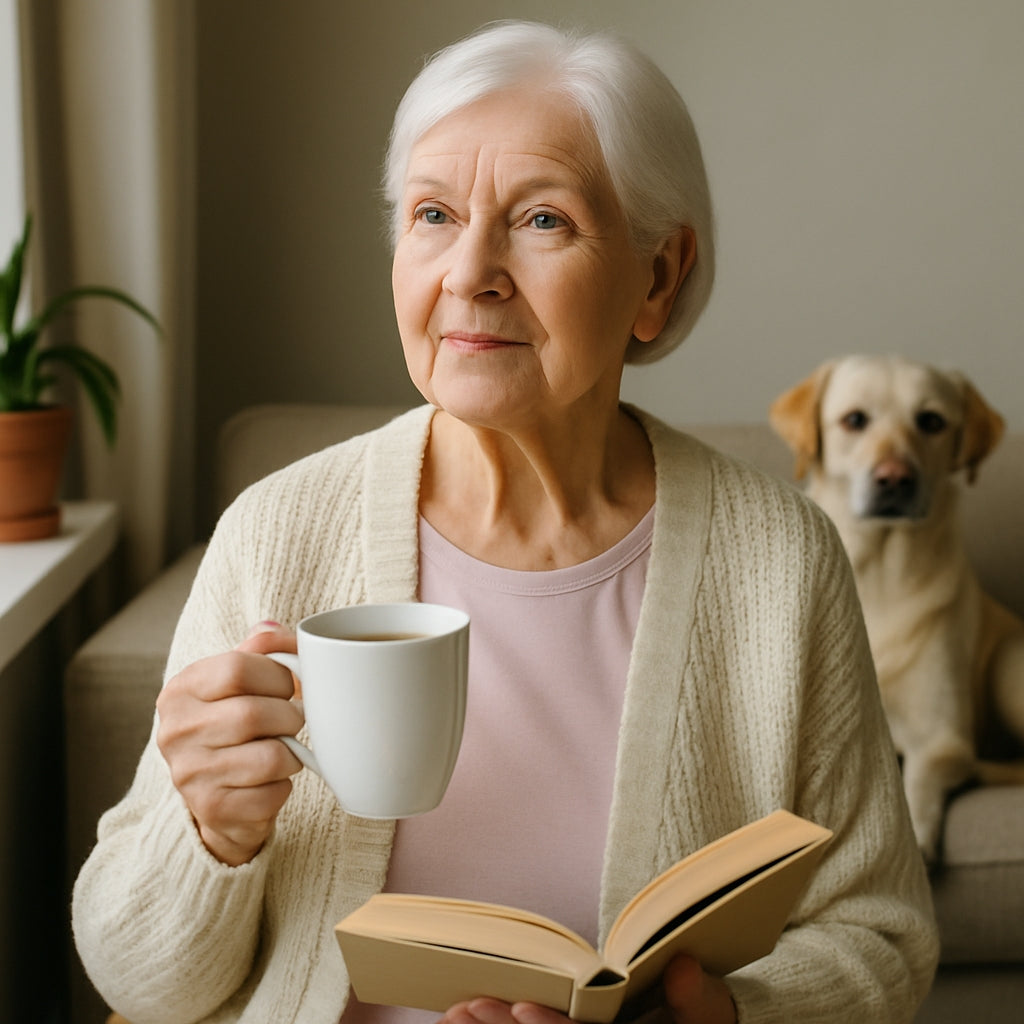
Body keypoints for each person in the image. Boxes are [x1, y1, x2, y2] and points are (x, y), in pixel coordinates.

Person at [73, 19, 938, 1024]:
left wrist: (720, 1013)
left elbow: (880, 937)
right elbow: (135, 982)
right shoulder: (279, 531)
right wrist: (208, 831)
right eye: (433, 214)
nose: (468, 271)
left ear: (655, 278)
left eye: (541, 221)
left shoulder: (779, 560)